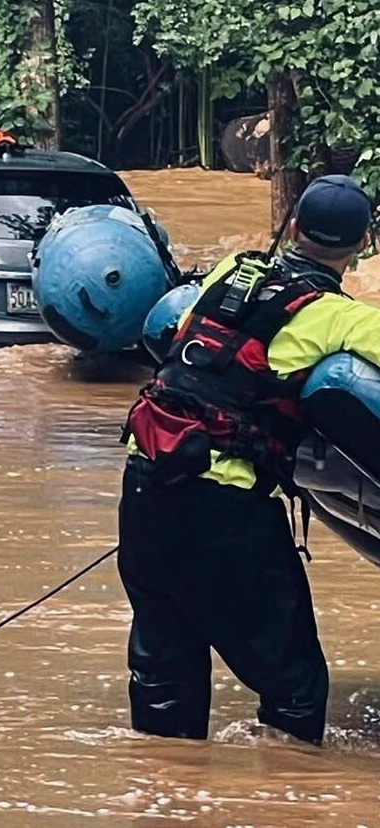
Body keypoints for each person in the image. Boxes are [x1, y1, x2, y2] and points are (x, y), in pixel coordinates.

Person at [118, 174, 378, 746]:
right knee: (295, 684)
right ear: (362, 244)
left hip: (145, 484)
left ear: (293, 225)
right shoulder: (342, 318)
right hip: (226, 507)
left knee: (163, 672)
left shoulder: (229, 271)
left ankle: (164, 786)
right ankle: (286, 787)